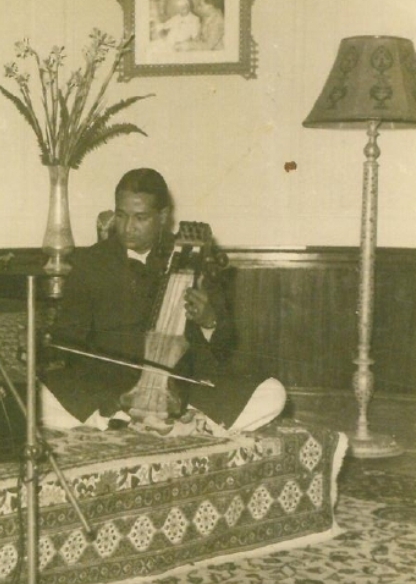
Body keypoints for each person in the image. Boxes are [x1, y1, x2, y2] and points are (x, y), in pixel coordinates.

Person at [41, 168, 286, 435]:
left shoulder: (193, 255)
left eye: (141, 218)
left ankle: (144, 424)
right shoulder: (90, 262)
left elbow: (225, 344)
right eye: (121, 215)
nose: (128, 227)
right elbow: (69, 340)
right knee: (35, 393)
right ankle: (143, 422)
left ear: (163, 217)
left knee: (273, 392)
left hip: (180, 387)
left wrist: (208, 320)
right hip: (113, 385)